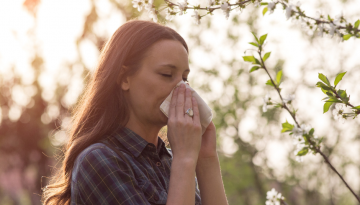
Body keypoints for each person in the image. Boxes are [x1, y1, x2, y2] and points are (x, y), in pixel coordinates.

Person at [42, 20, 228, 205]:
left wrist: (207, 160)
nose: (182, 89)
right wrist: (185, 160)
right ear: (124, 78)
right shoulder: (99, 160)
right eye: (166, 75)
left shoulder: (172, 161)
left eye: (185, 78)